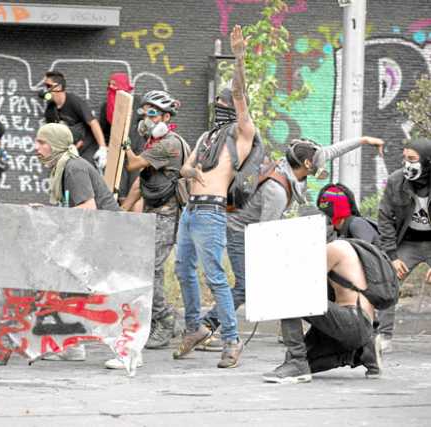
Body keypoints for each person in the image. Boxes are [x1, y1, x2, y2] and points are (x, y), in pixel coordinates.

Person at [197, 136, 386, 353]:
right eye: (318, 160)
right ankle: (206, 327)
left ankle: (281, 326)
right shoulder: (276, 190)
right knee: (245, 287)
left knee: (267, 280)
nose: (322, 163)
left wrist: (364, 140)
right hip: (241, 232)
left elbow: (332, 151)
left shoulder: (297, 165)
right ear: (307, 164)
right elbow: (265, 234)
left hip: (258, 227)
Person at [170, 25, 255, 368]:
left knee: (215, 277)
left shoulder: (241, 134)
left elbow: (239, 92)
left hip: (211, 212)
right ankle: (194, 327)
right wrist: (191, 173)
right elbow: (184, 169)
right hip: (190, 211)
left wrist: (238, 57)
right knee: (181, 269)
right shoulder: (207, 137)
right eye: (219, 102)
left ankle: (232, 341)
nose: (221, 106)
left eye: (225, 102)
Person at [33, 123, 120, 364]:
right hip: (94, 235)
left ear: (56, 144)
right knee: (69, 289)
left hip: (105, 237)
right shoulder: (63, 167)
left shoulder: (73, 168)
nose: (36, 147)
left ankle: (127, 351)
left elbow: (87, 209)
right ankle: (72, 346)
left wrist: (54, 221)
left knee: (106, 295)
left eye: (42, 142)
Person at [263, 237, 383, 384]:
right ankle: (362, 352)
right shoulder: (352, 252)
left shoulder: (334, 249)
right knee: (309, 363)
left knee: (290, 293)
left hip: (352, 320)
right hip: (357, 325)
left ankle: (296, 362)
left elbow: (303, 283)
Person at [120, 89, 186, 351]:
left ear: (166, 117)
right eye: (144, 113)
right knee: (148, 268)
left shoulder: (168, 144)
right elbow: (140, 182)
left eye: (152, 114)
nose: (146, 118)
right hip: (154, 212)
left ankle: (165, 320)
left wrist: (122, 144)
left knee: (152, 270)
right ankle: (170, 318)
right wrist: (123, 210)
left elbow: (133, 166)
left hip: (166, 215)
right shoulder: (153, 145)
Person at [377, 138, 431, 352]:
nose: (407, 164)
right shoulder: (395, 181)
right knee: (388, 280)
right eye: (404, 158)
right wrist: (392, 256)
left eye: (412, 159)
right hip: (408, 242)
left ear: (427, 162)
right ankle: (384, 336)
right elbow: (385, 218)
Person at [42, 71, 108, 171]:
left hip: (88, 149)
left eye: (48, 86)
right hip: (71, 152)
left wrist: (102, 148)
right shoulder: (50, 111)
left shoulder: (74, 102)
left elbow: (93, 123)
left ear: (58, 87)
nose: (45, 90)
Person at [98, 72, 144, 204]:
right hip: (117, 154)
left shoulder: (137, 103)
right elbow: (104, 131)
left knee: (136, 191)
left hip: (136, 152)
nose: (111, 87)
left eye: (115, 84)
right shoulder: (106, 107)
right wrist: (105, 149)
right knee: (119, 191)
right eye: (109, 84)